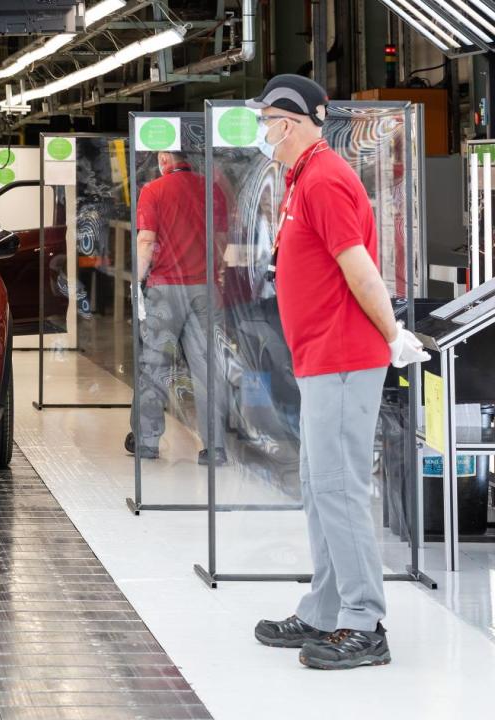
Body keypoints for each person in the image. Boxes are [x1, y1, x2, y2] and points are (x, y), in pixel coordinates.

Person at [246, 75, 429, 670]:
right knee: (318, 486)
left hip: (345, 358)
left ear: (289, 124)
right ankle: (326, 609)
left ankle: (363, 621)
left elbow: (360, 269)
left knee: (339, 488)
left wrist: (392, 335)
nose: (263, 131)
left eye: (266, 121)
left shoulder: (324, 180)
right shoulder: (302, 178)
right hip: (321, 358)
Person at [127, 150, 228, 466]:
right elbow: (221, 240)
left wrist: (136, 283)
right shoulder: (211, 189)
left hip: (165, 291)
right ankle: (215, 447)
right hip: (204, 289)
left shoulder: (153, 190)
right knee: (208, 367)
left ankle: (146, 441)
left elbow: (146, 241)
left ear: (164, 158)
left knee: (155, 363)